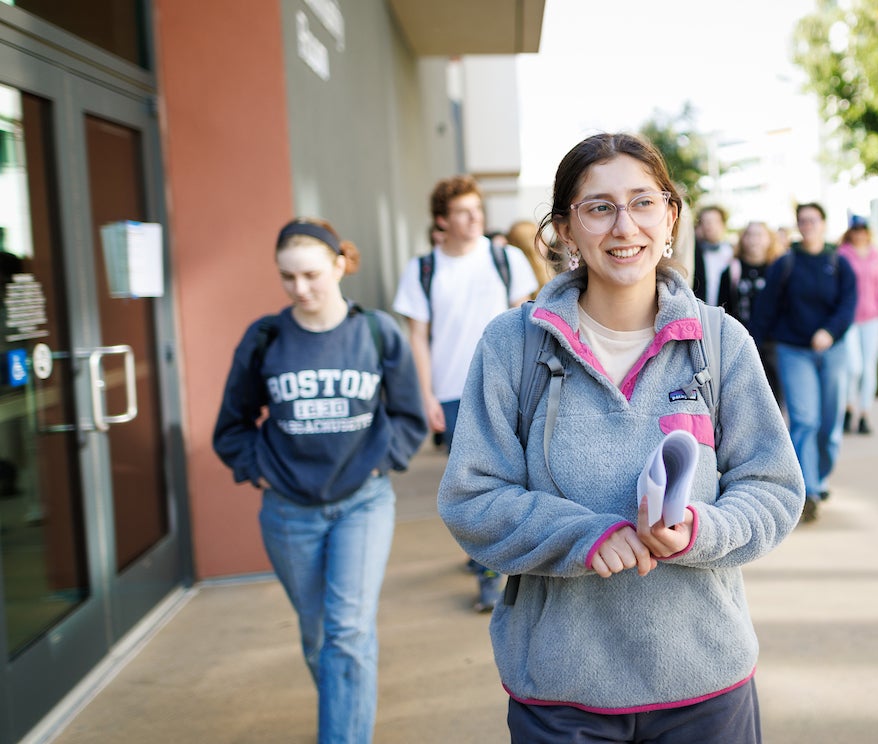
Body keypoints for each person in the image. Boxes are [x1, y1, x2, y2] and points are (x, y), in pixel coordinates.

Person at [437, 132, 804, 743]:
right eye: (599, 207)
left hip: (705, 685)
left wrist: (700, 530)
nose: (623, 226)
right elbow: (471, 499)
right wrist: (584, 537)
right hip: (562, 693)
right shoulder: (512, 346)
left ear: (671, 219)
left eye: (643, 202)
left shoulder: (719, 343)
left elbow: (772, 487)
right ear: (563, 231)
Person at [213, 217, 427, 744]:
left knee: (348, 632)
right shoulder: (266, 339)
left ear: (339, 265)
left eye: (311, 274)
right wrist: (258, 470)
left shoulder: (376, 332)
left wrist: (382, 462)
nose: (300, 288)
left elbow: (408, 416)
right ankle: (347, 706)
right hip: (288, 511)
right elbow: (232, 426)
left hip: (363, 502)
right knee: (319, 637)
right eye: (287, 278)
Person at [392, 175, 538, 611]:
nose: (475, 217)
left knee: (517, 477)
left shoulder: (505, 257)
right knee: (475, 486)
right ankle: (488, 572)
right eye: (463, 211)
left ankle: (496, 563)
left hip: (509, 386)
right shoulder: (422, 269)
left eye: (478, 209)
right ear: (442, 220)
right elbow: (417, 337)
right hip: (454, 391)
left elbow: (527, 322)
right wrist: (426, 396)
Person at [751, 202, 857, 523]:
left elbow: (849, 305)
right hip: (793, 350)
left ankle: (820, 477)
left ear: (824, 224)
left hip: (833, 350)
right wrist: (751, 348)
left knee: (828, 425)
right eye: (803, 221)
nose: (808, 225)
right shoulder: (786, 264)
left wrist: (829, 331)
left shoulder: (839, 263)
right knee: (805, 420)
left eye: (813, 220)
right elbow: (765, 310)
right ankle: (807, 491)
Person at [838, 215, 878, 435]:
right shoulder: (843, 255)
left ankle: (864, 413)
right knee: (853, 367)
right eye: (855, 230)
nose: (859, 234)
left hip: (872, 319)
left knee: (868, 368)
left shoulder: (875, 255)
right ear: (850, 232)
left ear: (868, 231)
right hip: (850, 320)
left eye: (863, 229)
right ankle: (848, 406)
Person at [717, 220, 785, 402]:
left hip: (772, 344)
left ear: (769, 240)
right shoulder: (731, 271)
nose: (754, 240)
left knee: (773, 395)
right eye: (750, 235)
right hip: (740, 341)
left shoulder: (778, 269)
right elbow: (722, 309)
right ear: (743, 239)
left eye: (759, 235)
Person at [691, 204, 733, 305]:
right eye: (705, 222)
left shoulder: (731, 255)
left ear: (723, 225)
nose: (710, 226)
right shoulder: (693, 253)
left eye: (714, 221)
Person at [506, 218, 554, 291]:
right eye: (540, 237)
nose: (546, 241)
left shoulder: (511, 273)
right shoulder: (541, 276)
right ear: (530, 244)